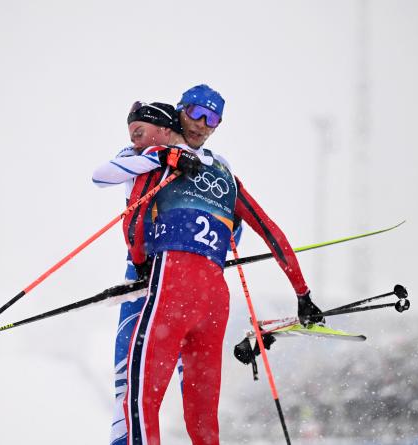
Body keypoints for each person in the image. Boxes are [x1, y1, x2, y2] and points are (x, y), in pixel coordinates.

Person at [114, 86, 323, 444]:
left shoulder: (161, 160)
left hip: (172, 287)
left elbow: (133, 220)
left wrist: (140, 263)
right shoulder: (228, 179)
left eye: (213, 119)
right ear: (180, 111)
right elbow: (272, 233)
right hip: (214, 300)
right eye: (197, 113)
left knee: (139, 403)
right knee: (204, 422)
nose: (203, 124)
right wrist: (302, 293)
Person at [92, 97, 241, 445]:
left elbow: (234, 220)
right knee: (130, 385)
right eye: (195, 114)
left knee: (193, 385)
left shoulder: (217, 164)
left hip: (184, 280)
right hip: (141, 278)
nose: (134, 140)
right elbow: (100, 176)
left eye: (211, 118)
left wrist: (218, 250)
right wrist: (159, 155)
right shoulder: (140, 155)